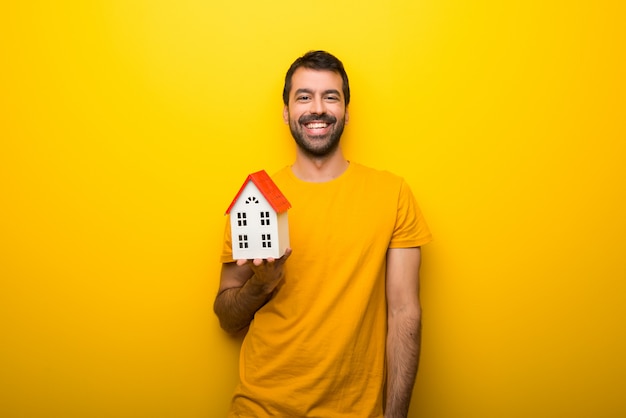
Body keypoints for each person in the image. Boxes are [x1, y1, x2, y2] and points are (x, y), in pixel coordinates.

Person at [214, 50, 432, 418]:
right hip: (260, 409)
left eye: (330, 96)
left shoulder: (392, 194)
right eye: (304, 96)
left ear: (346, 111)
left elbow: (404, 313)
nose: (318, 108)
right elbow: (226, 317)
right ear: (286, 112)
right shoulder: (258, 196)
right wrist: (261, 285)